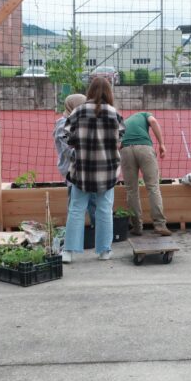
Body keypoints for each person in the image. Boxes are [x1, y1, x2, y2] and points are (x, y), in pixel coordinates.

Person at [63, 78, 125, 262]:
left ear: (89, 91)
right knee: (104, 209)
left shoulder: (78, 111)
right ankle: (104, 251)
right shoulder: (114, 114)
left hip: (82, 169)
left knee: (76, 209)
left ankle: (69, 251)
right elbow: (120, 139)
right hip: (107, 170)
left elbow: (67, 137)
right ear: (109, 92)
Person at [120, 110, 171, 237]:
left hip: (125, 150)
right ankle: (160, 225)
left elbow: (118, 141)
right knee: (153, 187)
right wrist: (161, 144)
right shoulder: (145, 114)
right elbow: (153, 121)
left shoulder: (125, 122)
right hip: (144, 148)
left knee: (131, 190)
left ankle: (137, 226)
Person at [53, 93, 96, 227]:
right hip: (73, 170)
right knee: (76, 205)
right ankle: (74, 238)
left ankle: (96, 233)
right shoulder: (63, 123)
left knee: (93, 202)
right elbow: (67, 150)